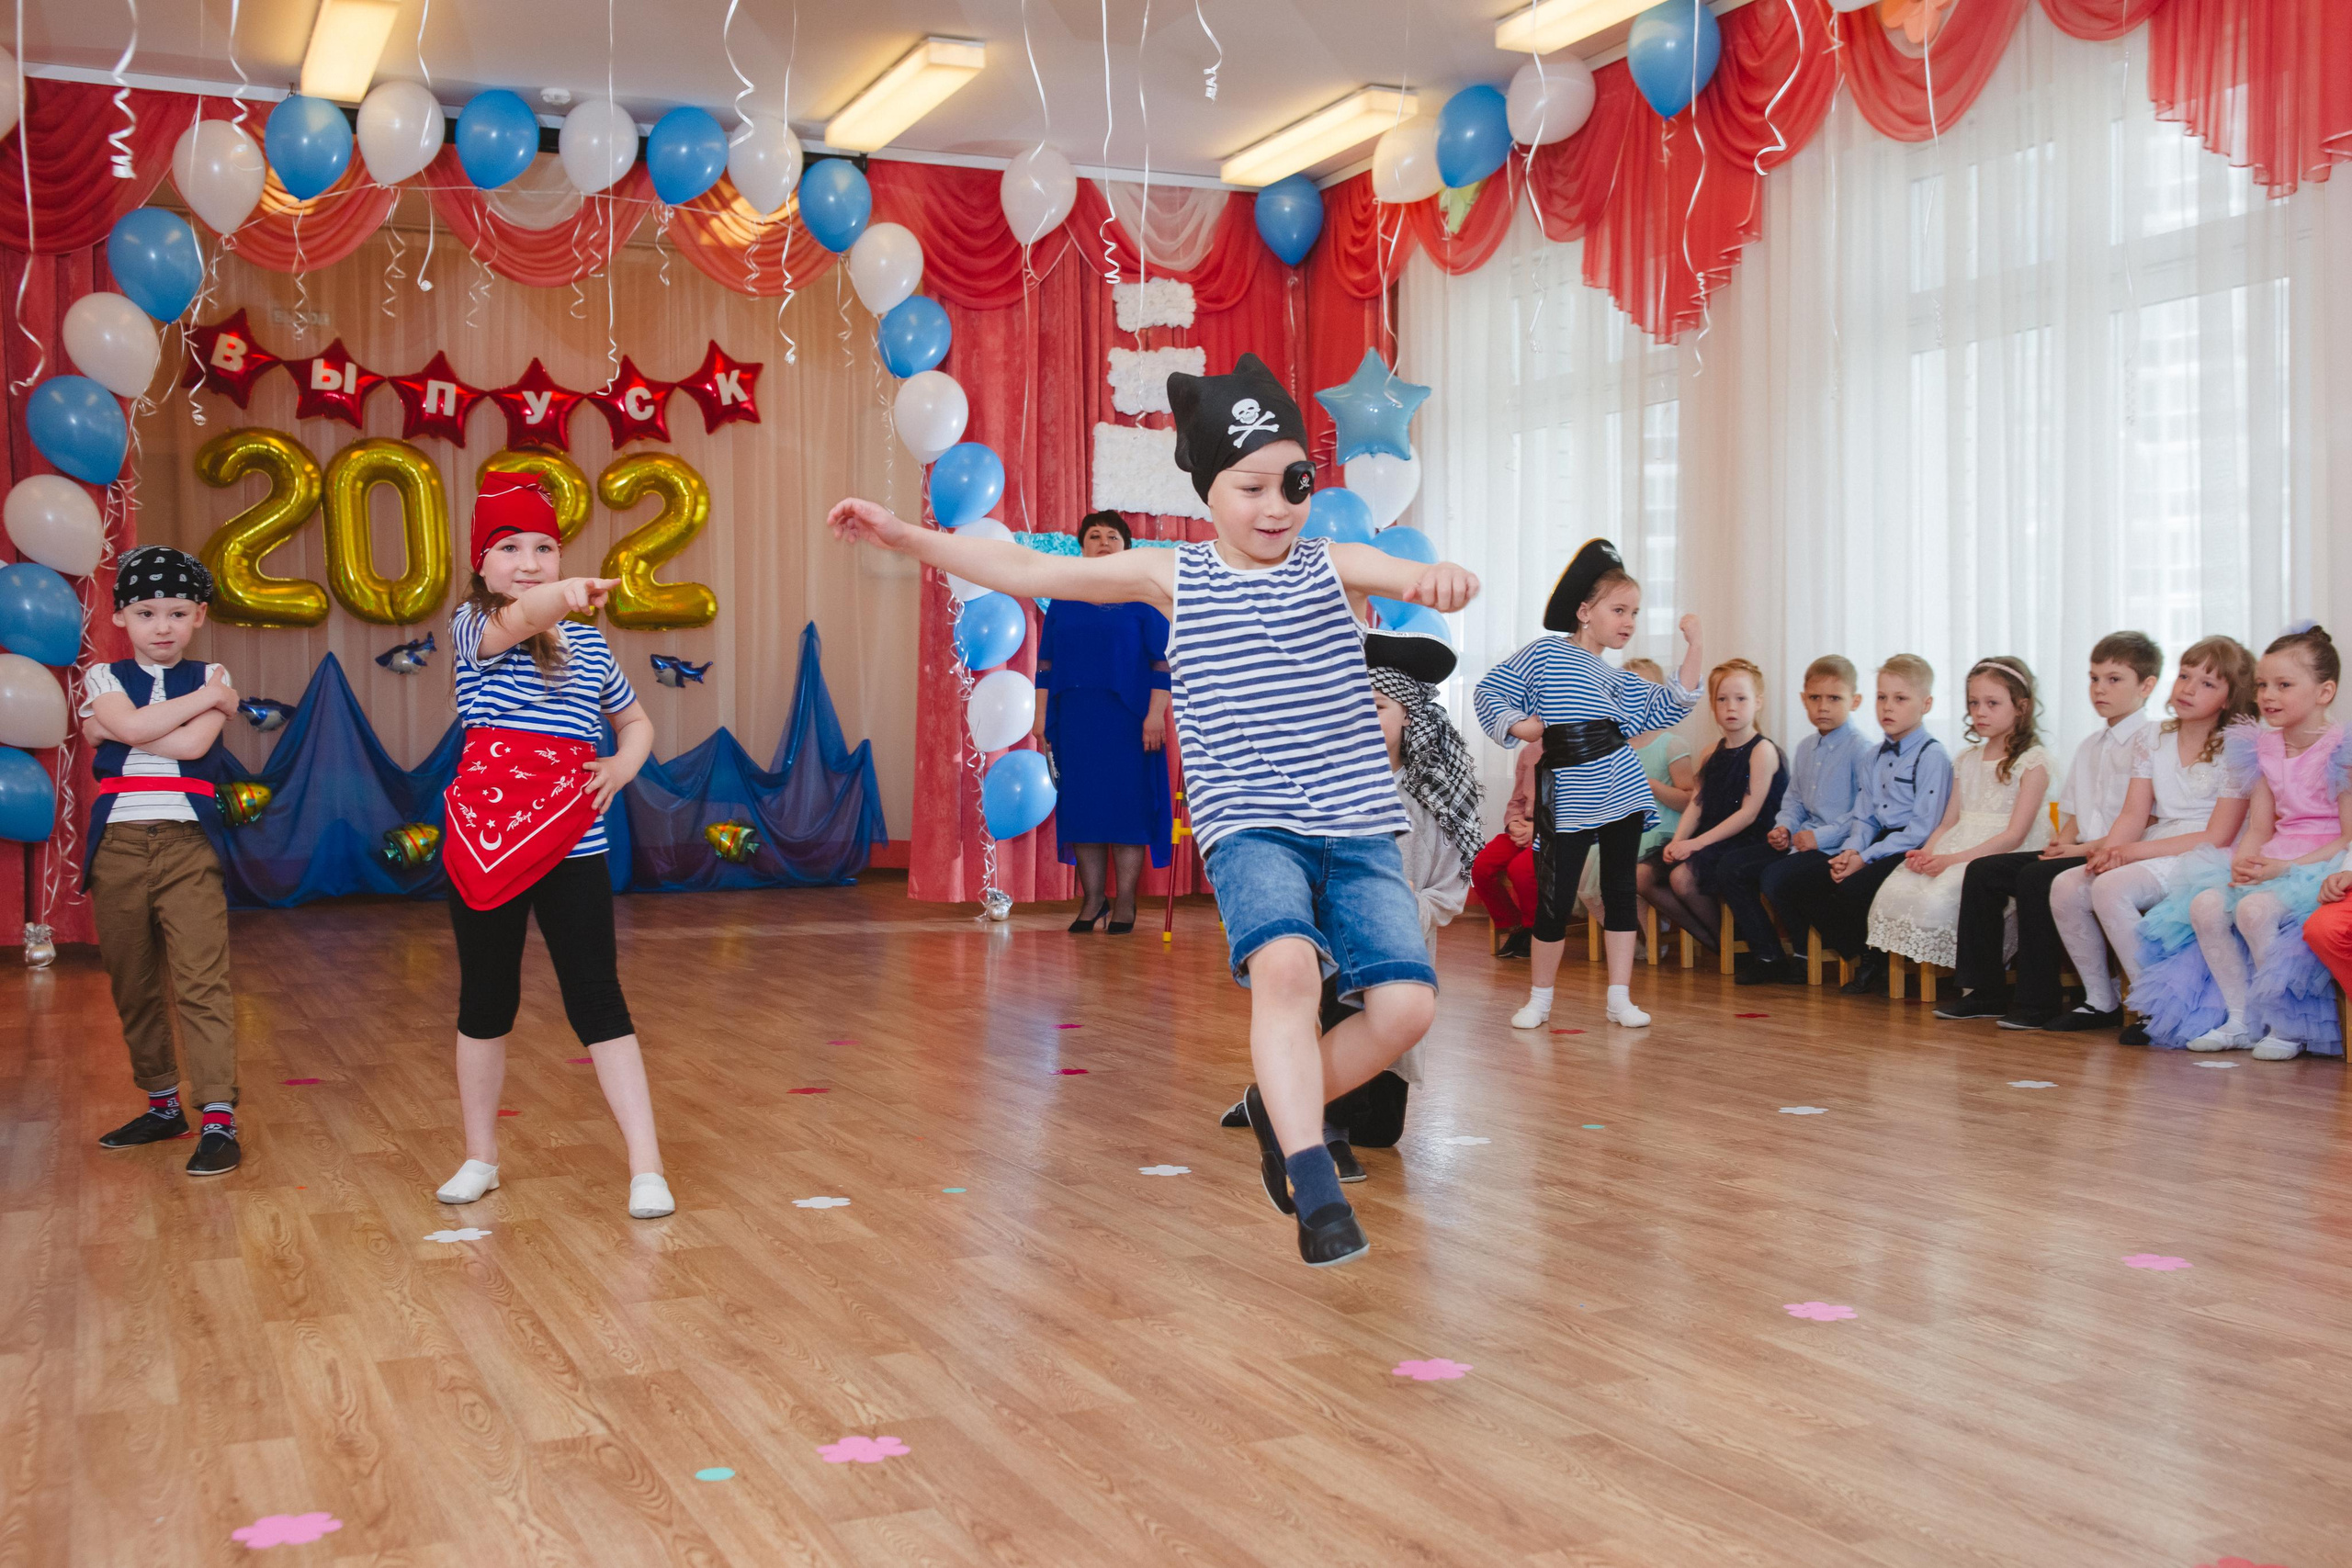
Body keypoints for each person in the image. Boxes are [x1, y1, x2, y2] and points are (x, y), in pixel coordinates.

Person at [827, 353, 1479, 1267]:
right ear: (1208, 490)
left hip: (1356, 823)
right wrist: (908, 536)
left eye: (1292, 482)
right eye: (1249, 485)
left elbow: (1410, 579)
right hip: (1249, 824)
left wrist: (1441, 579)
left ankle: (1273, 1103)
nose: (1275, 505)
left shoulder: (1330, 565)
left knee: (1406, 1008)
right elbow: (1023, 567)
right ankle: (1309, 1174)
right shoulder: (1172, 577)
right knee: (1288, 972)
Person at [434, 473, 675, 1219]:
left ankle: (646, 1166)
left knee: (597, 995)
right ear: (483, 565)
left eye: (544, 546)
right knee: (486, 999)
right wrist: (562, 594)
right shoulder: (473, 628)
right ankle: (481, 1156)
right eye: (510, 547)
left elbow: (637, 722)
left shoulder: (591, 649)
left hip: (576, 837)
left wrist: (622, 764)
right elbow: (522, 618)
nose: (530, 560)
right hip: (486, 839)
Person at [1225, 630, 1481, 1178]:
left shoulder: (1432, 797)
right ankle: (1322, 1132)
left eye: (1379, 706)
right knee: (1332, 1002)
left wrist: (1404, 909)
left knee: (1383, 1131)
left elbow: (1451, 890)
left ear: (1408, 715)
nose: (1364, 716)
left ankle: (1270, 1097)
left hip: (1399, 947)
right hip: (1331, 948)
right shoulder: (1320, 788)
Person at [1474, 539, 1704, 1032]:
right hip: (1568, 788)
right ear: (1584, 612)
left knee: (1620, 890)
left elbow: (1675, 702)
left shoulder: (1618, 679)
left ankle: (1619, 998)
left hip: (1620, 784)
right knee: (1555, 896)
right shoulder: (1544, 654)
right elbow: (1490, 690)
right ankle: (1539, 999)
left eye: (1635, 613)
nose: (1628, 621)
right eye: (1618, 609)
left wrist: (1695, 646)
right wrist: (1521, 726)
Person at [78, 547, 247, 1176]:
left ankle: (218, 1118)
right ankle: (161, 1105)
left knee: (203, 981)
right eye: (146, 612)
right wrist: (215, 700)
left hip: (187, 843)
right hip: (118, 848)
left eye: (178, 612)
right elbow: (165, 732)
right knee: (134, 982)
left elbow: (191, 743)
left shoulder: (211, 670)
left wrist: (117, 727)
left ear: (199, 614)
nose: (163, 626)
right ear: (121, 615)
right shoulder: (104, 676)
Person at [2132, 626, 2349, 1058]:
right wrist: (2245, 861)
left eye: (2284, 685)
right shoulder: (2260, 747)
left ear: (2324, 692)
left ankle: (2284, 1024)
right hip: (2276, 853)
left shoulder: (2341, 747)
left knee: (2254, 910)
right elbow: (2260, 826)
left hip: (2322, 859)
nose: (2268, 695)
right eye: (2263, 685)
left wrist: (2285, 870)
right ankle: (2241, 1018)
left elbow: (2350, 835)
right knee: (2205, 904)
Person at [1937, 633, 2160, 1029]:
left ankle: (2038, 1001)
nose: (2099, 689)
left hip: (2122, 851)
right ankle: (1985, 992)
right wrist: (2063, 841)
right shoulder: (2091, 745)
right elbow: (2073, 812)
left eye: (2113, 679)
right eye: (2094, 679)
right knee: (1985, 871)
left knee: (2035, 878)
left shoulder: (2153, 741)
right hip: (2082, 848)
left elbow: (2146, 821)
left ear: (2146, 686)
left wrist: (2078, 850)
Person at [2064, 637, 2257, 1043]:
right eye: (2185, 676)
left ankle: (2155, 1007)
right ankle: (2101, 999)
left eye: (2207, 684)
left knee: (2112, 888)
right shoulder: (2153, 738)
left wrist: (2131, 853)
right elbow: (2134, 814)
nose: (2187, 688)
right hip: (2157, 839)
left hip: (2204, 851)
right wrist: (2109, 849)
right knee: (2066, 885)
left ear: (2228, 698)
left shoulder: (2236, 748)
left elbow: (2218, 833)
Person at [1767, 655, 1953, 996]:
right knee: (1803, 882)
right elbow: (1864, 816)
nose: (1887, 707)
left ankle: (1875, 960)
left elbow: (1922, 828)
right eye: (1882, 697)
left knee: (1851, 889)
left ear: (1926, 704)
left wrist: (1865, 858)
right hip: (1874, 841)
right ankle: (1865, 952)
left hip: (1912, 846)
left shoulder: (1932, 756)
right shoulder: (1874, 756)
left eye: (1900, 699)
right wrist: (1852, 850)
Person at [1033, 510, 1172, 932]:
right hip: (1075, 721)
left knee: (1127, 813)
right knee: (1084, 812)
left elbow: (1162, 664)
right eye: (1095, 535)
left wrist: (1154, 716)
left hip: (1131, 723)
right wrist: (1041, 718)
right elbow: (1045, 664)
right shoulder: (1062, 596)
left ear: (1126, 547)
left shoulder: (1144, 599)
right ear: (1082, 546)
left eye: (1113, 536)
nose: (1104, 541)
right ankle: (1093, 902)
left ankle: (1126, 902)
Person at [1866, 658, 2052, 973]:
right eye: (1974, 703)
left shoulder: (2033, 761)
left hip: (2004, 850)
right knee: (1898, 887)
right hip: (1960, 843)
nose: (1980, 712)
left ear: (2020, 707)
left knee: (1942, 895)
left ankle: (1975, 977)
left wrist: (1951, 861)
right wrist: (1927, 852)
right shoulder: (1965, 759)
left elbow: (2015, 835)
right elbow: (1949, 821)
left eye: (1992, 703)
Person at [1718, 655, 1872, 985]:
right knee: (1731, 867)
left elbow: (1864, 813)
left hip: (1837, 846)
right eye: (1815, 698)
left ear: (1855, 701)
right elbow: (1795, 801)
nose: (1823, 707)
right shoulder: (1806, 748)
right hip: (1800, 840)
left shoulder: (1862, 750)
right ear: (1803, 700)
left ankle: (1816, 952)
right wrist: (1783, 827)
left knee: (1777, 878)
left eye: (1834, 699)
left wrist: (1821, 838)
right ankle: (1770, 954)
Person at [1639, 659, 1787, 956]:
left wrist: (1694, 844)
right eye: (1722, 699)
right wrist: (1679, 840)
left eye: (1740, 699)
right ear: (1713, 705)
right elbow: (1697, 802)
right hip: (1710, 836)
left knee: (1682, 878)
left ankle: (1740, 945)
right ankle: (1718, 942)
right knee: (1641, 876)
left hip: (1749, 838)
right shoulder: (1711, 752)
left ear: (1758, 703)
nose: (1731, 707)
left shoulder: (1763, 750)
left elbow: (1748, 814)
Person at [1589, 656, 1696, 948]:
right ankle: (1631, 939)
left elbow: (1689, 800)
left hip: (1660, 829)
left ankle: (1653, 939)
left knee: (1623, 870)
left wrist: (1653, 787)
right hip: (1622, 827)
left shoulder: (1670, 744)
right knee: (1585, 875)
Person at [1471, 745, 1541, 958]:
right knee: (1481, 866)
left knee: (1521, 869)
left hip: (1556, 832)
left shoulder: (1581, 747)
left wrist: (1539, 831)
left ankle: (1535, 930)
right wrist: (1513, 823)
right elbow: (1517, 800)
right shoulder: (1531, 751)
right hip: (1524, 826)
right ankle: (1515, 926)